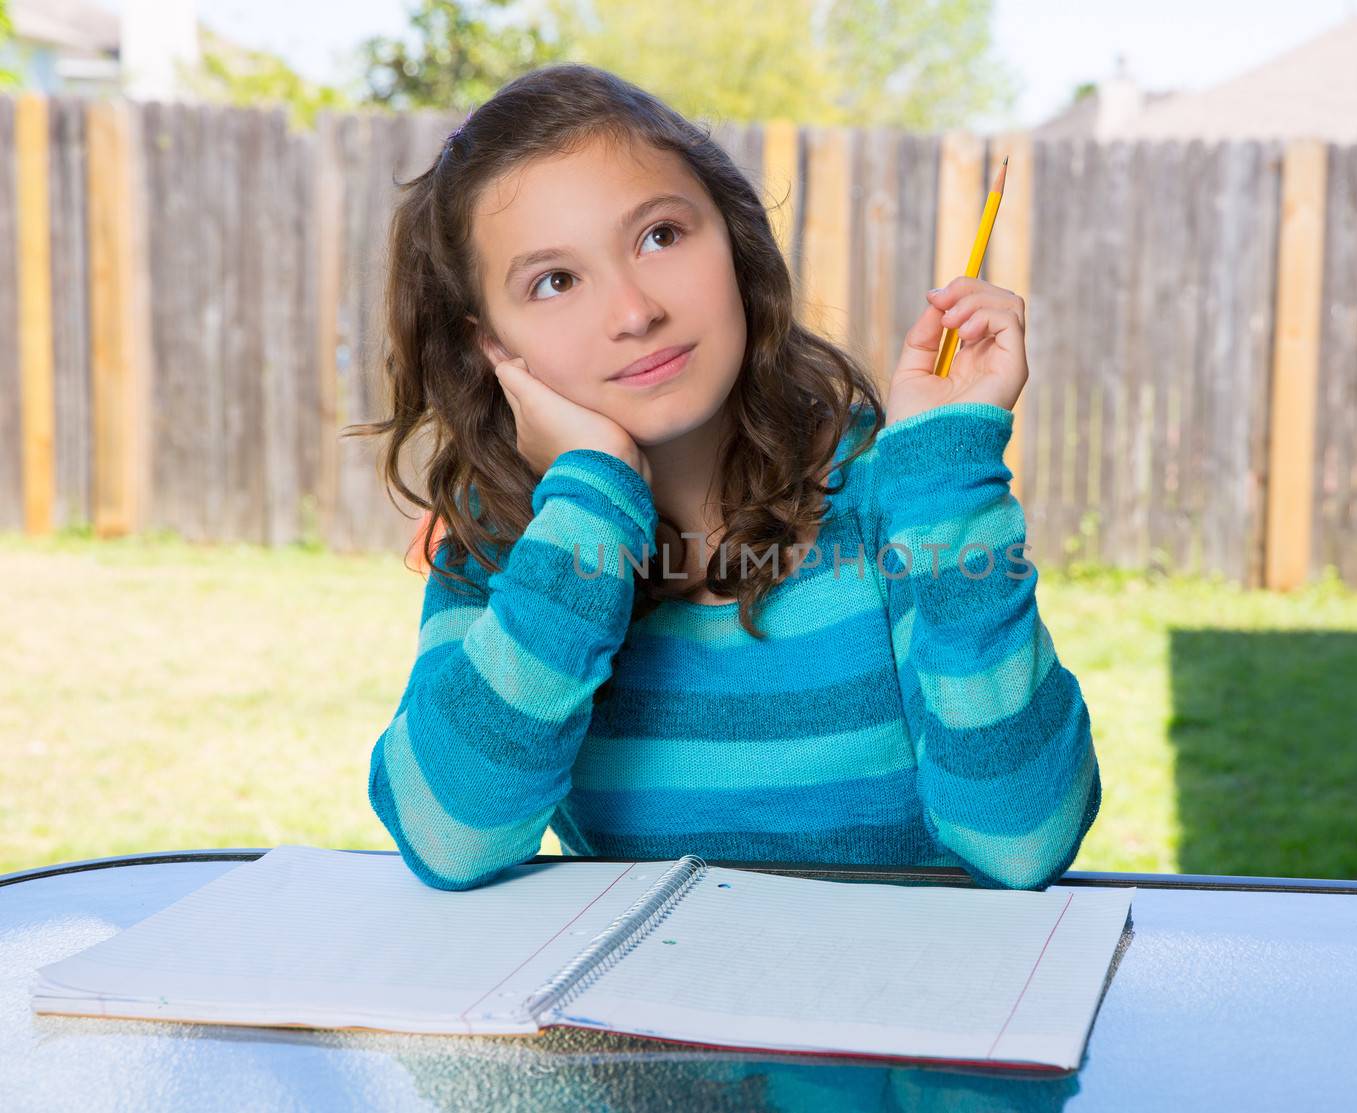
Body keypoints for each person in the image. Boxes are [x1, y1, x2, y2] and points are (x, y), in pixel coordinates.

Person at [351, 62, 1101, 893]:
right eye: (554, 281)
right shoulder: (514, 534)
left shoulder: (903, 497)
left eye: (660, 236)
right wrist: (591, 499)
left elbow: (1024, 837)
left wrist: (950, 467)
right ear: (491, 346)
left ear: (735, 241)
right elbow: (449, 835)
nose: (634, 312)